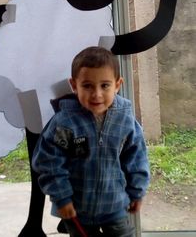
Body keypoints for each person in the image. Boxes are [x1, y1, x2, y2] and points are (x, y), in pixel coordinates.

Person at [32, 46, 150, 237]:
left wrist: (137, 191)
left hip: (115, 204)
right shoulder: (66, 123)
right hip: (77, 208)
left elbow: (136, 157)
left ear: (118, 85)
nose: (96, 94)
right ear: (74, 85)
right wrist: (61, 197)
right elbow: (50, 162)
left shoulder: (125, 119)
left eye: (105, 85)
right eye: (87, 86)